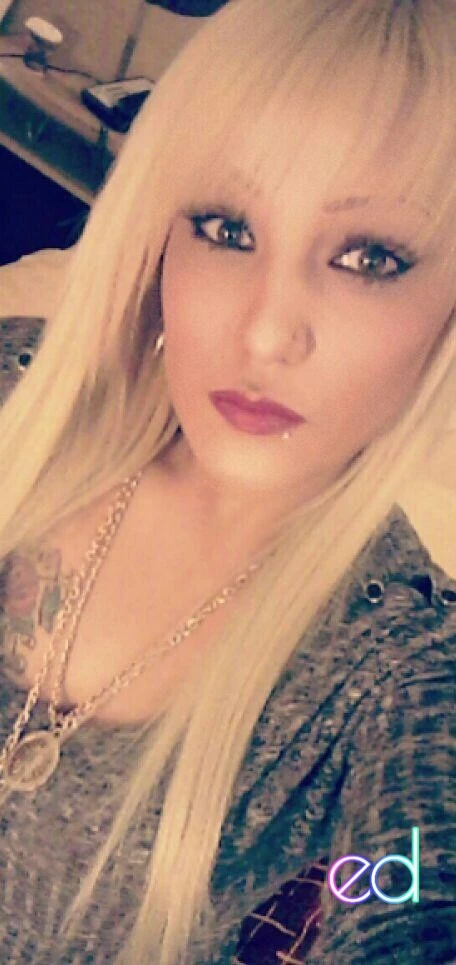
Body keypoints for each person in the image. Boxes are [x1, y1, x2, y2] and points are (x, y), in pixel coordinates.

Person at [0, 0, 455, 962]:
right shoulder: (15, 388)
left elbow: (414, 897)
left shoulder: (405, 665)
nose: (266, 332)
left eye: (369, 257)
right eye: (226, 227)